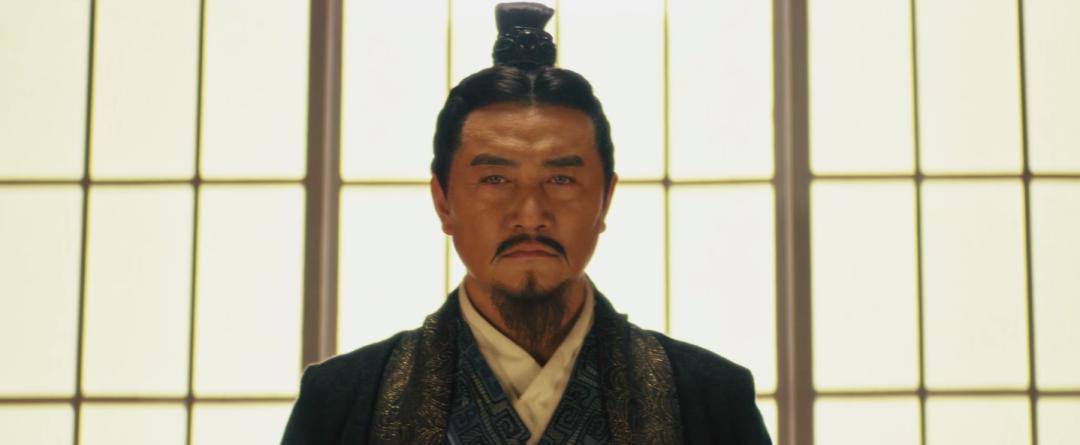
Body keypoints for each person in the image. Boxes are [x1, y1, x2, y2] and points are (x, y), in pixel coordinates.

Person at [283, 3, 771, 444]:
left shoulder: (711, 399)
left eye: (561, 179)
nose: (531, 214)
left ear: (605, 200)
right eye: (495, 179)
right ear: (443, 202)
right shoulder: (341, 402)